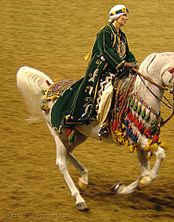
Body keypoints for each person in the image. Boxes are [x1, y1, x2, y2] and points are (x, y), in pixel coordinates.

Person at [51, 4, 138, 138]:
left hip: (118, 68)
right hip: (103, 68)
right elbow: (106, 50)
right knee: (108, 91)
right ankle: (103, 123)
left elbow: (127, 52)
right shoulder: (105, 32)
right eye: (124, 15)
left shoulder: (122, 35)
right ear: (116, 16)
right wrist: (121, 64)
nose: (126, 18)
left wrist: (133, 63)